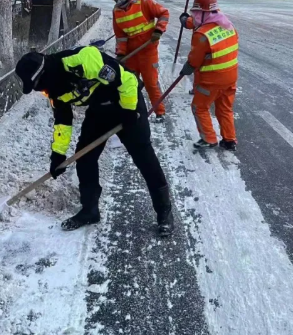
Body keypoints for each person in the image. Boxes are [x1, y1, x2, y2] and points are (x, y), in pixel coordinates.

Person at [15, 46, 174, 236]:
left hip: (126, 100)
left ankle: (164, 211)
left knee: (143, 155)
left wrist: (130, 111)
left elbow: (126, 81)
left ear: (44, 75)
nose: (42, 91)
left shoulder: (83, 60)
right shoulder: (54, 89)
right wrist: (58, 154)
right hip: (99, 110)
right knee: (85, 158)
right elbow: (63, 122)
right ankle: (90, 210)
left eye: (38, 86)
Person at [179, 0, 239, 151]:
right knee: (225, 108)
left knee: (199, 107)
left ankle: (209, 138)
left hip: (211, 80)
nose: (196, 17)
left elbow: (195, 59)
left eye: (197, 13)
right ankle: (229, 140)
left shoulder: (202, 33)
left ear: (205, 13)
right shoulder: (228, 26)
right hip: (231, 76)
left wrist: (188, 68)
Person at [109, 0, 169, 121]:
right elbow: (121, 36)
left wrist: (158, 30)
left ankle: (159, 112)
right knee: (130, 85)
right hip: (131, 54)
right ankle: (132, 112)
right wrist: (121, 54)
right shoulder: (116, 11)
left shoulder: (144, 2)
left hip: (148, 51)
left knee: (151, 84)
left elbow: (164, 13)